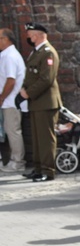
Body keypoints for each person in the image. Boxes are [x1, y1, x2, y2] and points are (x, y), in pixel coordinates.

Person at [19, 22, 61, 182]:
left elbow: (46, 79)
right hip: (37, 102)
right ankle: (38, 168)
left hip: (46, 102)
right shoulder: (37, 52)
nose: (29, 37)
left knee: (46, 138)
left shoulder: (48, 53)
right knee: (37, 138)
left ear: (38, 35)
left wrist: (27, 93)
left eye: (31, 35)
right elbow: (31, 75)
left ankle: (48, 170)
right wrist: (25, 89)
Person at [0, 28, 26, 173]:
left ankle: (18, 162)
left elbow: (11, 80)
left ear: (5, 39)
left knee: (13, 130)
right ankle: (13, 160)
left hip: (11, 100)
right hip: (8, 100)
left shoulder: (9, 56)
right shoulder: (7, 55)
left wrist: (2, 97)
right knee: (10, 130)